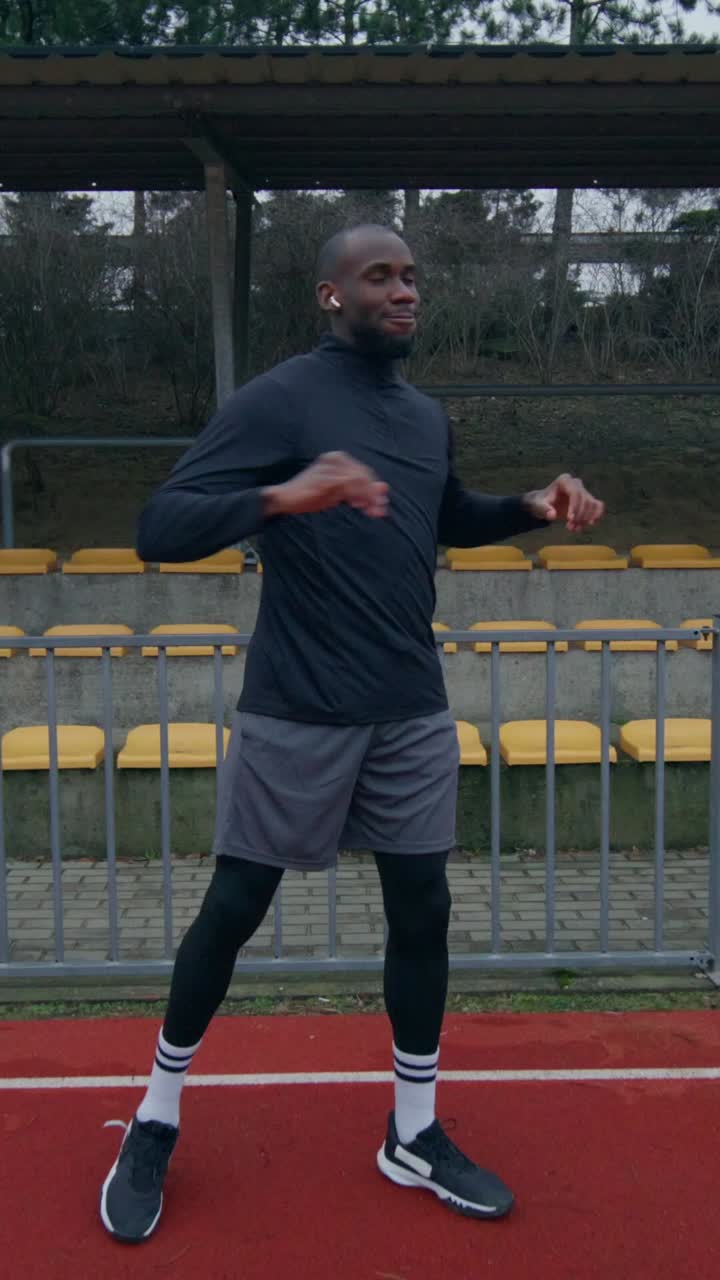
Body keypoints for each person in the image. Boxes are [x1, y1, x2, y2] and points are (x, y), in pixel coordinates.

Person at [99, 223, 604, 1243]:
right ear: (333, 295)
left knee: (424, 907)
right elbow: (162, 524)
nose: (405, 290)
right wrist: (285, 496)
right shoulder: (284, 397)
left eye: (414, 274)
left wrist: (527, 507)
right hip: (298, 706)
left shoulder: (421, 415)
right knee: (235, 906)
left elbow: (440, 513)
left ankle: (412, 1129)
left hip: (408, 704)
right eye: (381, 276)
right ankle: (155, 1114)